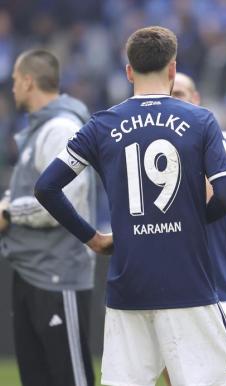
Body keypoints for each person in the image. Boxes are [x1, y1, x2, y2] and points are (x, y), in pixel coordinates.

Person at [34, 26, 226, 386]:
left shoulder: (100, 125)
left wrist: (93, 238)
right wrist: (191, 220)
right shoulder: (201, 120)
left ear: (129, 71)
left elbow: (46, 187)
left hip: (127, 288)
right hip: (188, 284)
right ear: (173, 69)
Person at [0, 49, 96, 386]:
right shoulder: (38, 130)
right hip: (33, 271)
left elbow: (63, 202)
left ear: (28, 82)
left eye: (14, 81)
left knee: (69, 379)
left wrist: (8, 212)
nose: (12, 89)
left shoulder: (61, 127)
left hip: (58, 275)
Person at [163, 72, 226, 384]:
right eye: (170, 95)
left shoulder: (223, 140)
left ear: (196, 100)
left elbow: (208, 195)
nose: (176, 102)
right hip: (167, 283)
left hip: (217, 280)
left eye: (182, 94)